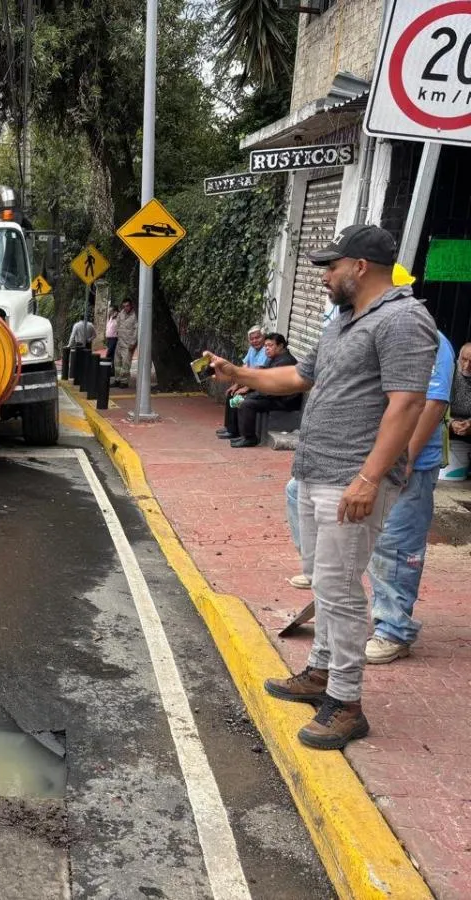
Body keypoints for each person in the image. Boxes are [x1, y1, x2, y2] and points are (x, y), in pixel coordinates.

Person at [205, 224, 437, 750]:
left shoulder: (403, 319)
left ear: (360, 266)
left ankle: (347, 703)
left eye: (330, 266)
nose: (324, 277)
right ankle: (320, 672)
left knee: (339, 590)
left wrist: (369, 478)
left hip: (351, 479)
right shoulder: (342, 322)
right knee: (325, 585)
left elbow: (407, 405)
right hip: (314, 471)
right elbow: (296, 378)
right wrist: (236, 370)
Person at [365, 332, 456, 664]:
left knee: (397, 544)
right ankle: (377, 612)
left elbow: (434, 402)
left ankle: (393, 631)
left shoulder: (428, 339)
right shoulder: (378, 330)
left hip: (410, 465)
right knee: (372, 540)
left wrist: (407, 458)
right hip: (376, 456)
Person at [228, 333, 301, 448]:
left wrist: (253, 395)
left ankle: (250, 438)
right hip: (274, 396)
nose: (266, 348)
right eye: (266, 346)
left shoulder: (285, 362)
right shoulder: (274, 359)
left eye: (270, 345)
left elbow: (273, 388)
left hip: (284, 400)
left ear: (280, 346)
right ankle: (237, 432)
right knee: (240, 397)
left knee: (246, 403)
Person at [215, 326, 268, 441]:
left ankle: (234, 431)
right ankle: (229, 427)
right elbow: (244, 368)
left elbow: (258, 373)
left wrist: (247, 388)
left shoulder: (265, 351)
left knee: (237, 398)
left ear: (263, 337)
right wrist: (237, 384)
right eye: (252, 339)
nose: (255, 341)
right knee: (231, 393)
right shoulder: (252, 349)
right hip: (248, 381)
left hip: (258, 384)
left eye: (257, 338)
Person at [440, 341, 471, 481]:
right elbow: (435, 405)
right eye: (464, 359)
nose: (467, 366)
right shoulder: (448, 373)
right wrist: (451, 423)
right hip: (445, 423)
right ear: (458, 357)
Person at [113, 300, 138, 386]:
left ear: (131, 306)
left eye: (127, 306)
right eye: (124, 306)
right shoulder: (121, 314)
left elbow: (136, 330)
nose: (125, 308)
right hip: (120, 342)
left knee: (125, 364)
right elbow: (118, 324)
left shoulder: (135, 316)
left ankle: (124, 381)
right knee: (117, 363)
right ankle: (117, 380)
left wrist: (133, 342)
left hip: (128, 344)